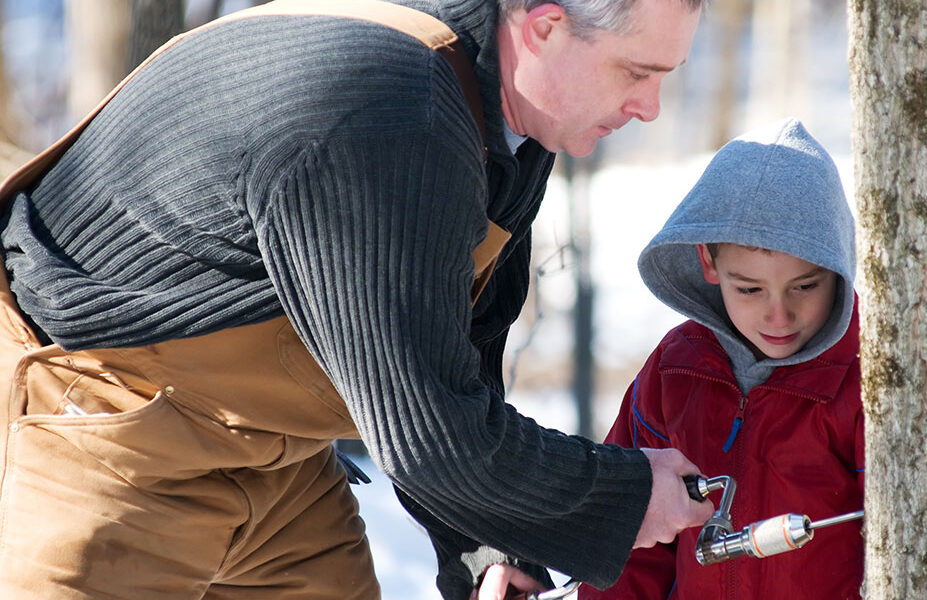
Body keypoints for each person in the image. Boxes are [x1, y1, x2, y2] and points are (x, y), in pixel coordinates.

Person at [0, 0, 713, 599]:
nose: (650, 108)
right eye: (636, 72)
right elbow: (428, 432)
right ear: (545, 27)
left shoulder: (510, 114)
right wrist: (623, 497)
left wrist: (488, 543)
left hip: (275, 456)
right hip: (98, 426)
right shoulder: (391, 110)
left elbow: (455, 357)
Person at [577, 118, 865, 599]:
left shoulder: (864, 380)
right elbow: (629, 538)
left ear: (838, 267)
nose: (779, 315)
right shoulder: (676, 370)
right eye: (749, 289)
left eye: (804, 286)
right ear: (708, 262)